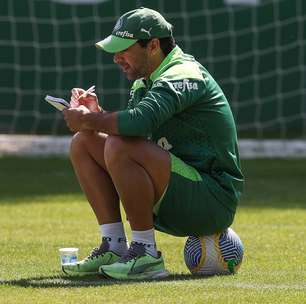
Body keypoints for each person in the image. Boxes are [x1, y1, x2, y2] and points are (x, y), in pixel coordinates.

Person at [62, 7, 244, 280]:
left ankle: (146, 254)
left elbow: (139, 124)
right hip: (177, 190)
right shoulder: (145, 81)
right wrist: (96, 117)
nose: (116, 58)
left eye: (124, 49)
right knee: (84, 143)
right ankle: (113, 246)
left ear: (154, 45)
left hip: (212, 200)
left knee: (116, 144)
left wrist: (93, 118)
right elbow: (135, 136)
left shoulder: (183, 73)